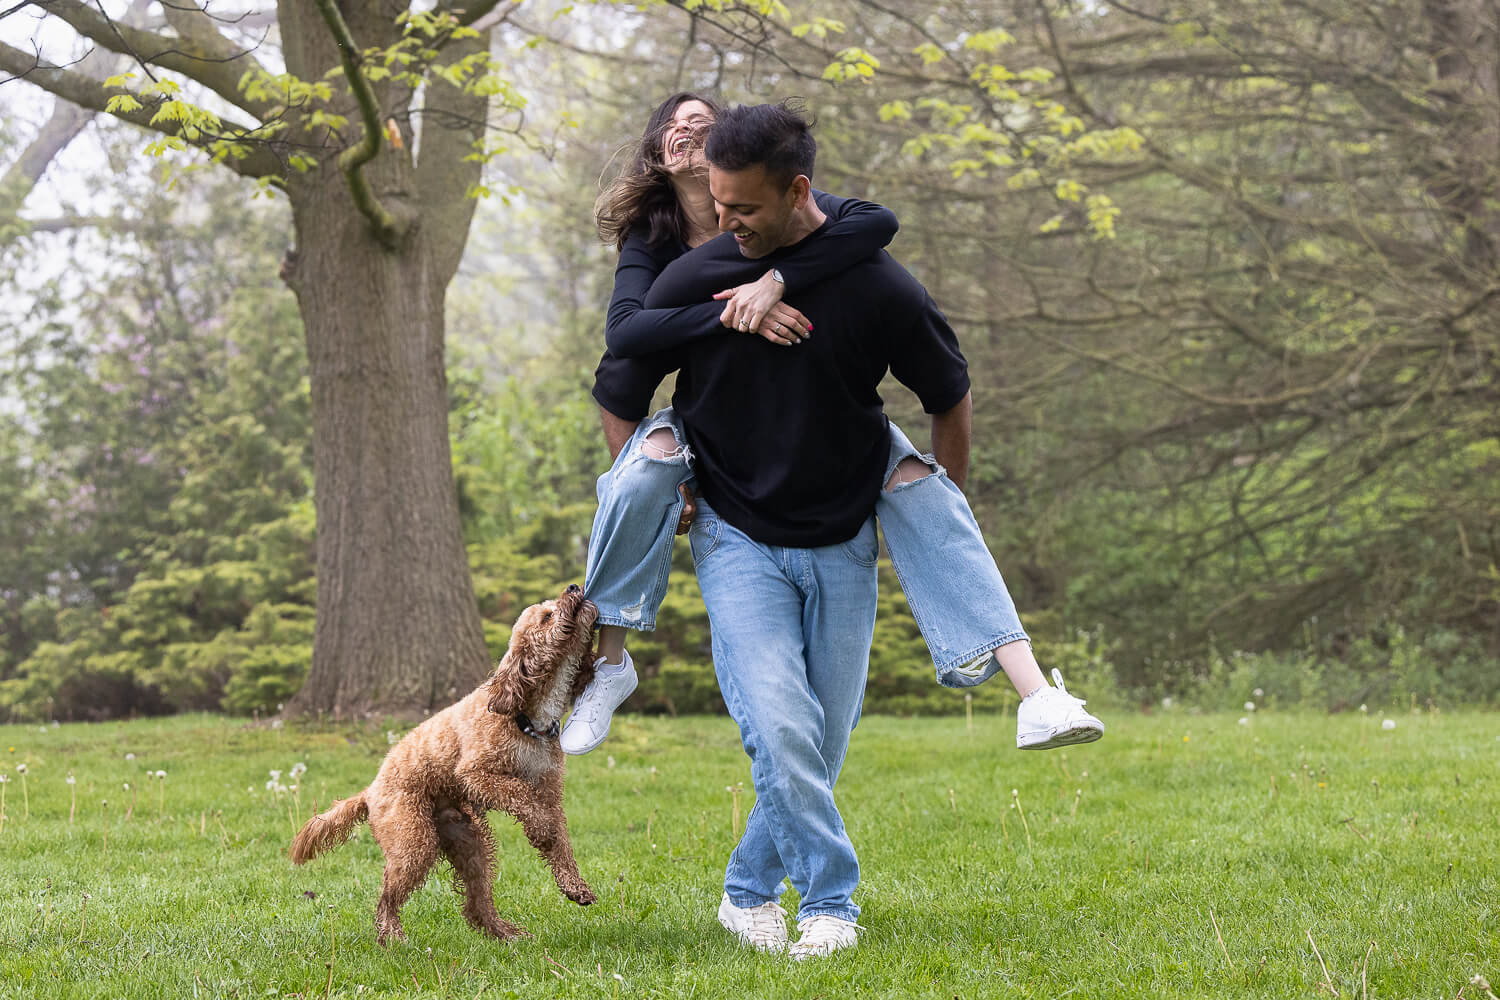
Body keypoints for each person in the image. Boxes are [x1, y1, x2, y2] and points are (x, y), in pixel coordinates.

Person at [564, 93, 1103, 763]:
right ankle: (609, 657)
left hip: (843, 469)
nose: (727, 218)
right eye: (672, 130)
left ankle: (1036, 693)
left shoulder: (856, 252)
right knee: (642, 469)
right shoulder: (666, 253)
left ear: (786, 188)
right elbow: (623, 348)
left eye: (700, 127)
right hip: (724, 479)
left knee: (928, 496)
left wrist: (778, 279)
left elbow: (885, 236)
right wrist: (734, 311)